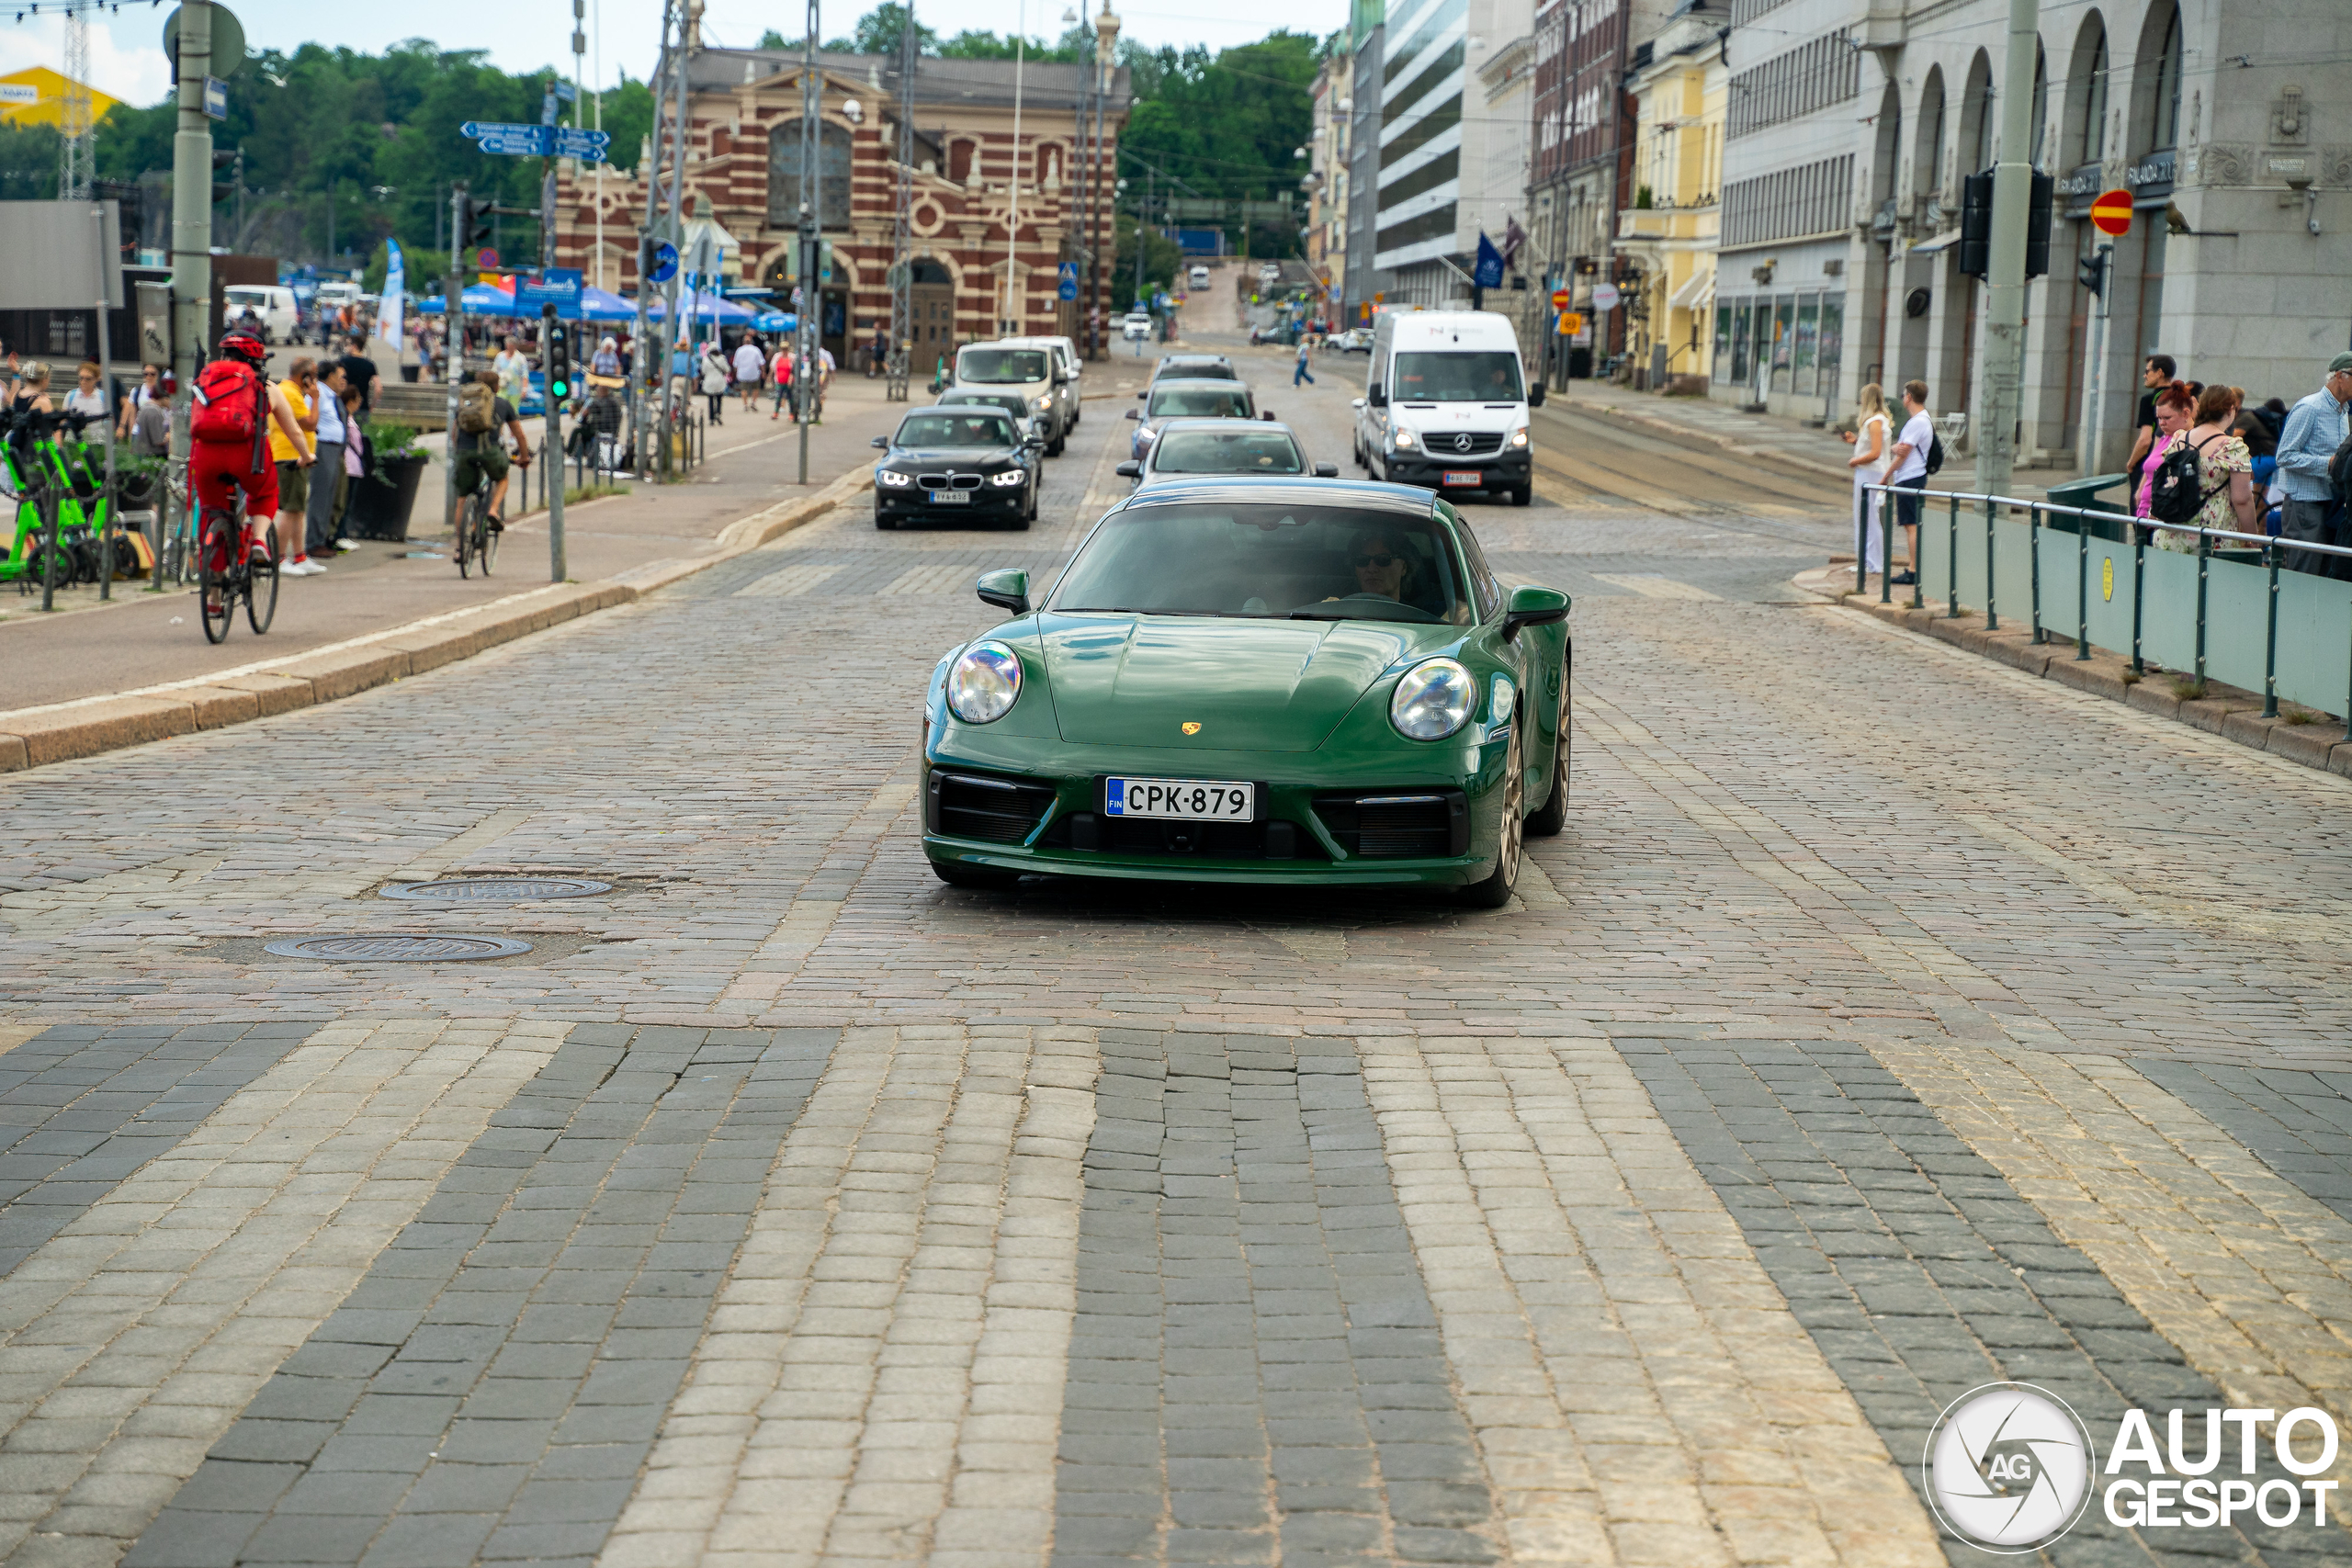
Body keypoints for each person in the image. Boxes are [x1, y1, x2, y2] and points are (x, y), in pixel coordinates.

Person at [187, 333, 312, 570]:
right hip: (246, 457)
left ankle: (213, 598)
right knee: (266, 492)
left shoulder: (205, 382)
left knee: (212, 512)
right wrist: (306, 457)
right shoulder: (264, 386)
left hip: (206, 458)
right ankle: (259, 540)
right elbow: (295, 431)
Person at [2276, 352, 2352, 578]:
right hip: (2305, 506)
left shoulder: (2342, 411)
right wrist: (2328, 464)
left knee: (2324, 575)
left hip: (2331, 506)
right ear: (2340, 376)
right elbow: (2285, 456)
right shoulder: (2310, 407)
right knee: (2304, 576)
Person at [2154, 385, 2257, 552]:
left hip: (2172, 530)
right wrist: (2252, 536)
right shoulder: (2231, 447)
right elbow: (2242, 498)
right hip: (2212, 535)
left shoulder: (2179, 439)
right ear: (2231, 410)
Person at [450, 369, 532, 528]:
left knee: (462, 499)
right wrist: (524, 457)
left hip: (464, 453)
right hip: (490, 452)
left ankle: (460, 550)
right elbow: (519, 435)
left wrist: (458, 452)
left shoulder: (465, 403)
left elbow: (455, 434)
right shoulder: (503, 404)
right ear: (496, 387)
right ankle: (493, 510)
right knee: (502, 478)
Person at [298, 360, 354, 570]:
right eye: (340, 376)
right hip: (322, 446)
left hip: (334, 448)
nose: (343, 381)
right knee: (320, 496)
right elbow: (306, 417)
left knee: (331, 495)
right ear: (329, 376)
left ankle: (323, 537)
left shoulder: (330, 396)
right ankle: (314, 542)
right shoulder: (318, 395)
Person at [269, 357, 320, 574]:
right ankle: (279, 558)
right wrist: (315, 399)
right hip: (290, 457)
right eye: (314, 376)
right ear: (305, 376)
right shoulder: (290, 392)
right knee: (290, 509)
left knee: (298, 509)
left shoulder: (287, 391)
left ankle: (299, 556)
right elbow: (310, 423)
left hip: (294, 456)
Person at [1885, 380, 1934, 585]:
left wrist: (1884, 476)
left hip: (1910, 477)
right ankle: (1914, 568)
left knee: (1911, 525)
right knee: (1910, 524)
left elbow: (1903, 454)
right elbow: (1902, 448)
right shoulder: (1921, 420)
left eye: (1904, 394)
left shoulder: (1917, 422)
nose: (1903, 397)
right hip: (1912, 476)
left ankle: (1913, 571)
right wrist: (1896, 447)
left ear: (1909, 397)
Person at [1842, 382, 1893, 575]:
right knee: (1868, 516)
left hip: (1870, 472)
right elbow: (1873, 446)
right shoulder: (1877, 421)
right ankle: (1868, 560)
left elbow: (1875, 452)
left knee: (1867, 517)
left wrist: (1855, 460)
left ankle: (1872, 562)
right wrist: (1855, 441)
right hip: (1872, 472)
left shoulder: (1874, 422)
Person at [2133, 385, 2195, 522]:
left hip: (2163, 514)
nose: (2162, 423)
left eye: (2167, 418)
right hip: (2146, 510)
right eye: (2159, 418)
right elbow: (2151, 466)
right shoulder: (2165, 437)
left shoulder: (2188, 439)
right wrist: (2140, 489)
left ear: (2185, 414)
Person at [2128, 355, 2177, 475]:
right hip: (2174, 460)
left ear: (2159, 372)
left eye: (2147, 371)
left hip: (2151, 463)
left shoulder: (2149, 399)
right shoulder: (2180, 398)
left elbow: (2145, 440)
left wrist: (2131, 463)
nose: (2145, 376)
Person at [63, 361, 109, 438]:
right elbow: (63, 419)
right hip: (74, 441)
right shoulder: (71, 395)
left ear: (96, 379)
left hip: (97, 441)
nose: (83, 382)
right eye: (81, 378)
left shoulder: (103, 396)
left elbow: (109, 420)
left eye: (88, 379)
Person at [118, 364, 162, 441]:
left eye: (152, 374)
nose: (149, 377)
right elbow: (132, 414)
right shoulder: (137, 391)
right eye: (146, 374)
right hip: (139, 431)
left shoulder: (162, 392)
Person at [492, 335, 532, 410]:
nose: (509, 348)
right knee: (500, 409)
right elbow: (494, 371)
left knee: (513, 410)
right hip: (501, 388)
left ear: (515, 346)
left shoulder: (521, 358)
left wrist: (524, 389)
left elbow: (525, 375)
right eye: (508, 346)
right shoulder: (500, 356)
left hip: (515, 390)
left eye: (511, 346)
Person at [731, 333, 766, 414]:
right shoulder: (756, 350)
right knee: (756, 388)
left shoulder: (739, 350)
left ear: (743, 342)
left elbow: (735, 364)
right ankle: (753, 403)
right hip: (754, 372)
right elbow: (761, 362)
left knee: (744, 389)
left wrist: (736, 372)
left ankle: (745, 404)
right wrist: (763, 372)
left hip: (742, 373)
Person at [697, 340, 729, 423]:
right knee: (719, 399)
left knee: (710, 400)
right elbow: (727, 369)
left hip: (709, 381)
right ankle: (718, 412)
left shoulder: (705, 359)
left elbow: (703, 371)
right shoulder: (722, 358)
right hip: (719, 381)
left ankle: (711, 418)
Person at [770, 339, 794, 421]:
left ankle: (792, 414)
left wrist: (791, 378)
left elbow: (794, 369)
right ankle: (776, 413)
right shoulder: (777, 356)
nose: (784, 350)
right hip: (779, 381)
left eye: (786, 348)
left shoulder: (792, 357)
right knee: (778, 398)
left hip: (789, 381)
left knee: (790, 398)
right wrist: (770, 377)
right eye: (783, 348)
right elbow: (772, 367)